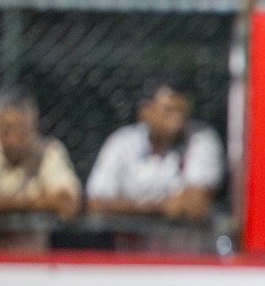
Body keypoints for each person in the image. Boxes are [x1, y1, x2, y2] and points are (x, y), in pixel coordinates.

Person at [0, 86, 81, 252]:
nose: (14, 140)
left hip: (29, 266)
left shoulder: (48, 150)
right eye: (6, 130)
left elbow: (68, 203)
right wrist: (29, 204)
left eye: (21, 131)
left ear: (34, 126)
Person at [86, 78, 224, 224]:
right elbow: (96, 203)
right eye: (169, 111)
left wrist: (123, 206)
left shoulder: (202, 139)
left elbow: (194, 204)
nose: (178, 121)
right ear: (145, 112)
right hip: (127, 242)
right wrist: (161, 207)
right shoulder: (121, 143)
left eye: (183, 113)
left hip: (184, 242)